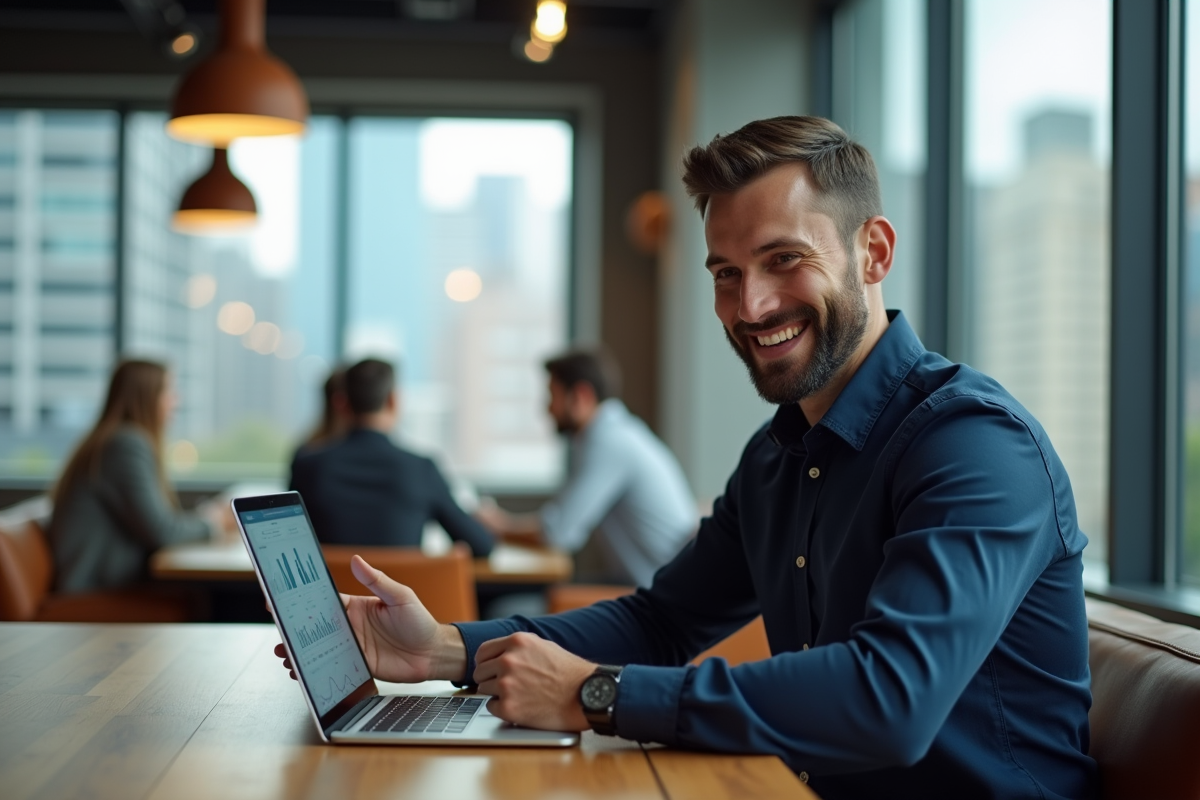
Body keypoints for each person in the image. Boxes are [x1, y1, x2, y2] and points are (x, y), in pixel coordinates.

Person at [276, 117, 1098, 800]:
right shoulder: (779, 454)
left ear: (873, 252)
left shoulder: (973, 444)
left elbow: (892, 699)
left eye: (785, 260)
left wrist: (599, 694)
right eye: (726, 274)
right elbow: (661, 621)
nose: (752, 306)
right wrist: (444, 650)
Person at [475, 349, 696, 587]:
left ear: (581, 395)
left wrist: (498, 525)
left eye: (553, 396)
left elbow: (558, 533)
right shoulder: (618, 433)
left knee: (509, 607)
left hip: (660, 597)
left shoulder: (609, 442)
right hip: (653, 586)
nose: (547, 410)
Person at [289, 358, 494, 557]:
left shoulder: (308, 466)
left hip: (330, 593)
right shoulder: (420, 469)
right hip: (397, 593)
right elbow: (480, 545)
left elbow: (288, 544)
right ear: (393, 400)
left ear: (341, 403)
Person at [49, 359, 221, 592]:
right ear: (147, 397)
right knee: (219, 597)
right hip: (96, 590)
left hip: (109, 580)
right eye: (169, 392)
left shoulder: (114, 440)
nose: (175, 401)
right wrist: (214, 523)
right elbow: (162, 531)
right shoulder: (125, 445)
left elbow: (157, 522)